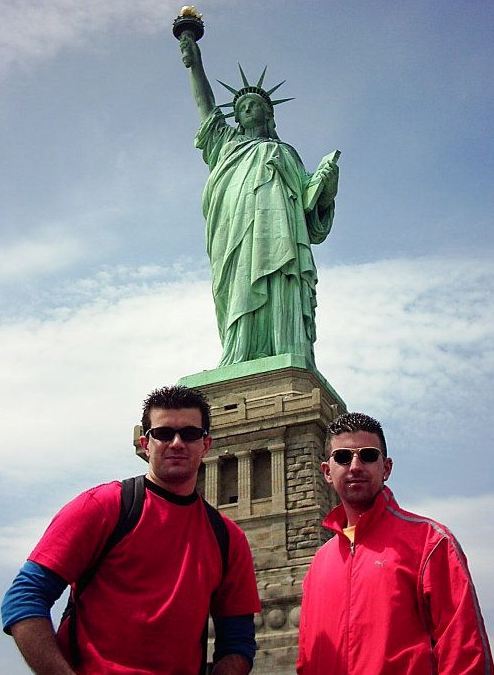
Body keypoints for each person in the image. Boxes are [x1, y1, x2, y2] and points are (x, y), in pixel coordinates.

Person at [2, 385, 261, 675]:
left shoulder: (228, 538)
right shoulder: (102, 506)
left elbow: (238, 642)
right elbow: (23, 599)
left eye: (189, 434)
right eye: (163, 433)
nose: (176, 443)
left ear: (206, 444)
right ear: (145, 443)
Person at [179, 31, 339, 367]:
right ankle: (239, 352)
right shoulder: (225, 145)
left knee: (281, 281)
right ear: (236, 117)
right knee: (237, 286)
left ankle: (285, 347)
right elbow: (205, 108)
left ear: (269, 114)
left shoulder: (285, 153)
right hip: (234, 233)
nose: (249, 109)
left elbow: (312, 211)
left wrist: (327, 183)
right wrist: (196, 65)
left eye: (256, 106)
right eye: (243, 107)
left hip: (280, 237)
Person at [296, 412, 493, 675]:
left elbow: (464, 653)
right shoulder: (318, 565)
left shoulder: (431, 542)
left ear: (386, 468)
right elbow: (308, 662)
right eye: (343, 457)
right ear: (327, 472)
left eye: (367, 455)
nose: (355, 465)